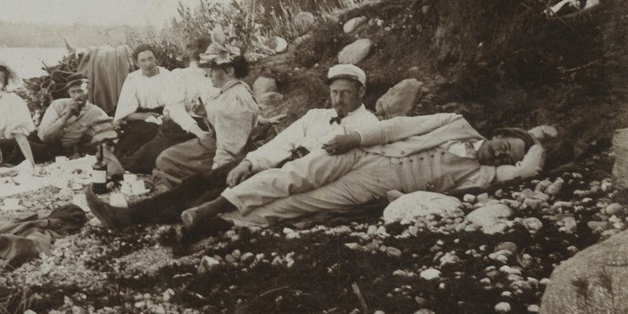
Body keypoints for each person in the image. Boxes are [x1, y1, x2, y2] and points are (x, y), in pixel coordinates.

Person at [85, 63, 378, 230]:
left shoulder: (367, 127)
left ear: (361, 92)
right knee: (201, 180)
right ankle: (127, 215)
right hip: (275, 164)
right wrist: (249, 163)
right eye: (335, 92)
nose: (338, 100)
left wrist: (265, 170)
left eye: (346, 94)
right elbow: (281, 143)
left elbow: (330, 167)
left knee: (218, 194)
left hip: (299, 176)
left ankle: (140, 220)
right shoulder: (317, 115)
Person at [180, 112, 551, 233]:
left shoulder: (483, 177)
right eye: (505, 144)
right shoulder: (455, 122)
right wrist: (354, 137)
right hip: (364, 154)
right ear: (497, 134)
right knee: (293, 176)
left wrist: (536, 143)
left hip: (379, 185)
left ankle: (226, 224)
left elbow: (527, 173)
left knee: (302, 204)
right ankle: (214, 206)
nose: (501, 153)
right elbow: (397, 127)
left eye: (507, 157)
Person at [151, 40, 258, 190]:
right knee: (165, 159)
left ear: (229, 71)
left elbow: (229, 148)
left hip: (229, 150)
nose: (209, 74)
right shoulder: (232, 90)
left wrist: (216, 175)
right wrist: (204, 112)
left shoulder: (234, 98)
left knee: (165, 160)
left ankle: (184, 189)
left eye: (214, 70)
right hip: (215, 140)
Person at [112, 44, 198, 173]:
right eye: (143, 60)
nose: (148, 63)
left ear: (155, 58)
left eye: (150, 58)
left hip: (166, 113)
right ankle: (138, 165)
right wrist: (144, 116)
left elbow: (175, 103)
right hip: (139, 117)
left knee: (171, 134)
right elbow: (124, 113)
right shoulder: (132, 78)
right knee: (143, 137)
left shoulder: (168, 75)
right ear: (136, 62)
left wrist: (169, 114)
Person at [35, 73, 112, 156]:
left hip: (62, 151)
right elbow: (44, 137)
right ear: (68, 92)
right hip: (42, 143)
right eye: (73, 92)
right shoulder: (57, 105)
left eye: (80, 91)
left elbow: (110, 130)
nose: (77, 96)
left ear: (88, 90)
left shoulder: (95, 112)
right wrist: (66, 116)